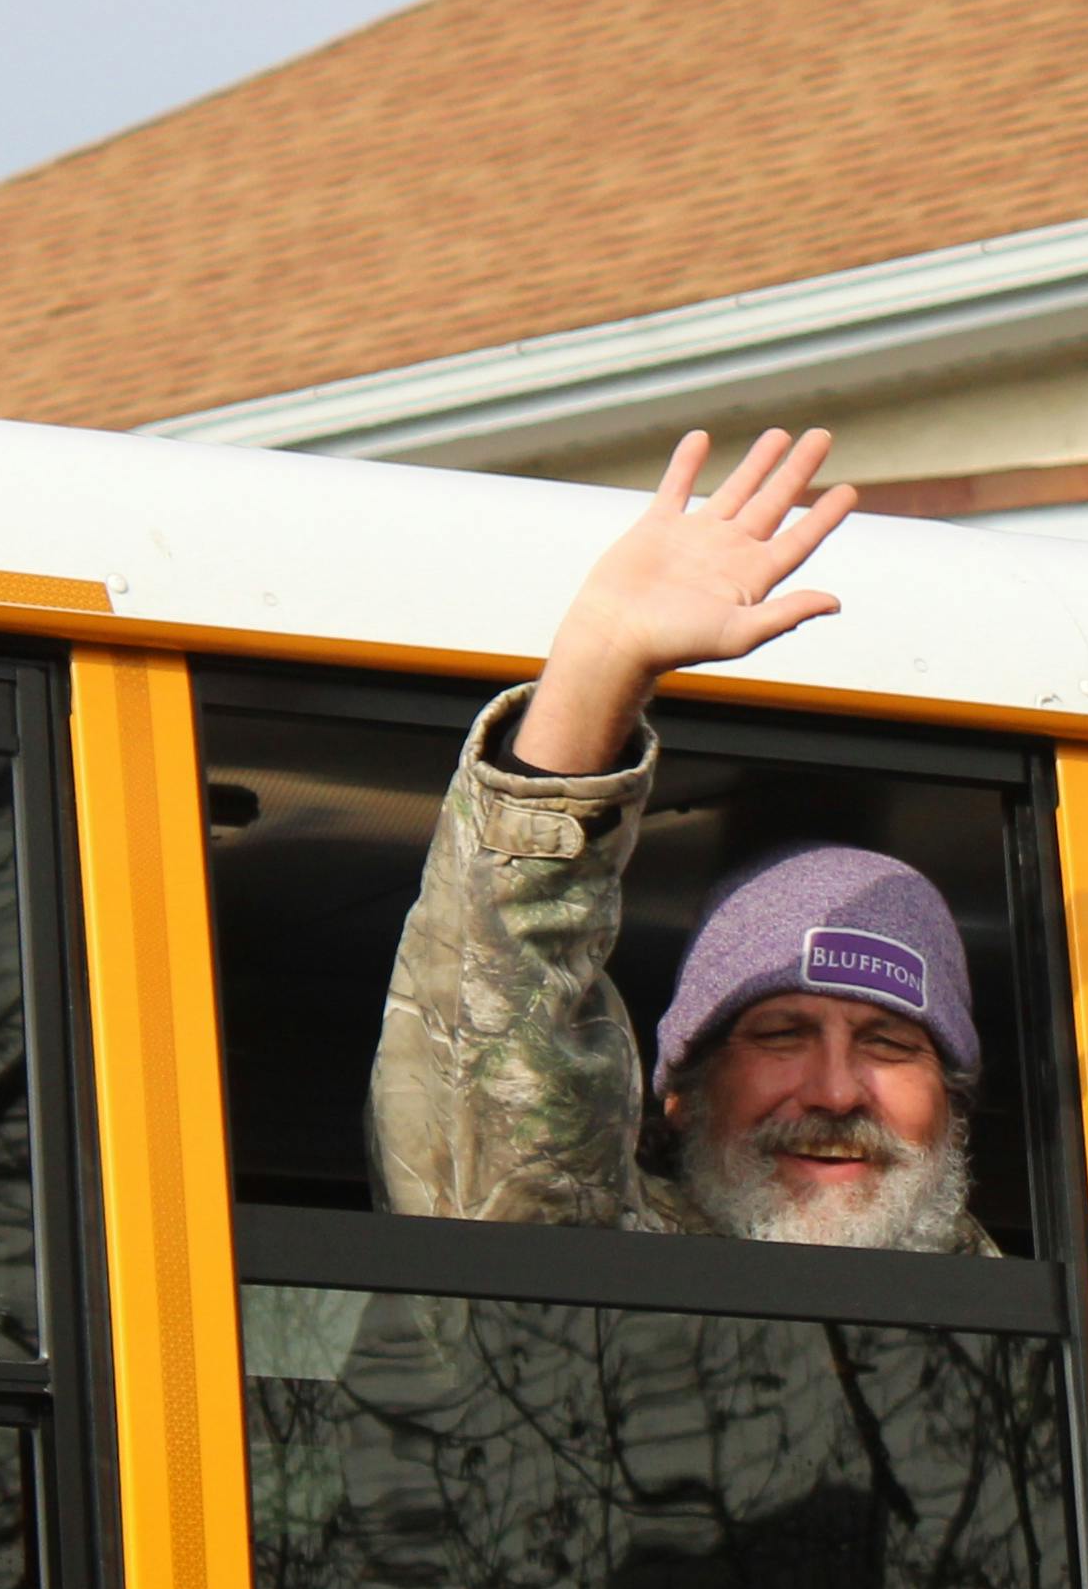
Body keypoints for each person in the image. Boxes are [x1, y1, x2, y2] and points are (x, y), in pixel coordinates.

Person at [371, 427, 986, 1252]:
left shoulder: (1081, 1343)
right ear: (682, 1095)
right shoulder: (612, 1281)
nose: (838, 1092)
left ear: (951, 1104)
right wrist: (602, 663)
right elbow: (495, 1088)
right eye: (780, 1036)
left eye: (890, 1044)